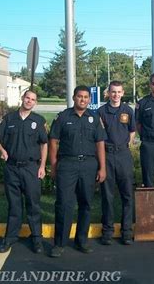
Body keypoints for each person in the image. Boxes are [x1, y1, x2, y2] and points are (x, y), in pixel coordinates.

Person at [48, 85, 106, 258]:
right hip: (67, 164)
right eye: (80, 96)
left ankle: (82, 241)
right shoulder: (63, 117)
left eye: (86, 97)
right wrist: (53, 165)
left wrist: (102, 167)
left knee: (85, 204)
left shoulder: (94, 118)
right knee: (64, 204)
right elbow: (53, 142)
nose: (83, 99)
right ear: (74, 98)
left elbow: (100, 143)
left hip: (88, 165)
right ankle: (59, 243)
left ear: (89, 99)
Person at [0, 89, 48, 254]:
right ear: (22, 99)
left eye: (33, 99)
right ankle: (9, 238)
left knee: (33, 205)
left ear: (35, 103)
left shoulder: (38, 120)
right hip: (12, 168)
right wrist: (2, 151)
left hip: (31, 168)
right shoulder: (9, 118)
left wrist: (43, 166)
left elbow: (44, 144)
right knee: (14, 206)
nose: (29, 101)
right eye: (27, 98)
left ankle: (37, 238)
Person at [98, 81, 136, 245]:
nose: (116, 95)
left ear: (123, 93)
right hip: (107, 155)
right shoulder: (100, 112)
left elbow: (132, 130)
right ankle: (107, 231)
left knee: (127, 195)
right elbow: (98, 136)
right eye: (113, 92)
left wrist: (129, 142)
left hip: (123, 155)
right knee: (107, 195)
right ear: (108, 93)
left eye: (119, 92)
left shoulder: (128, 110)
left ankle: (126, 231)